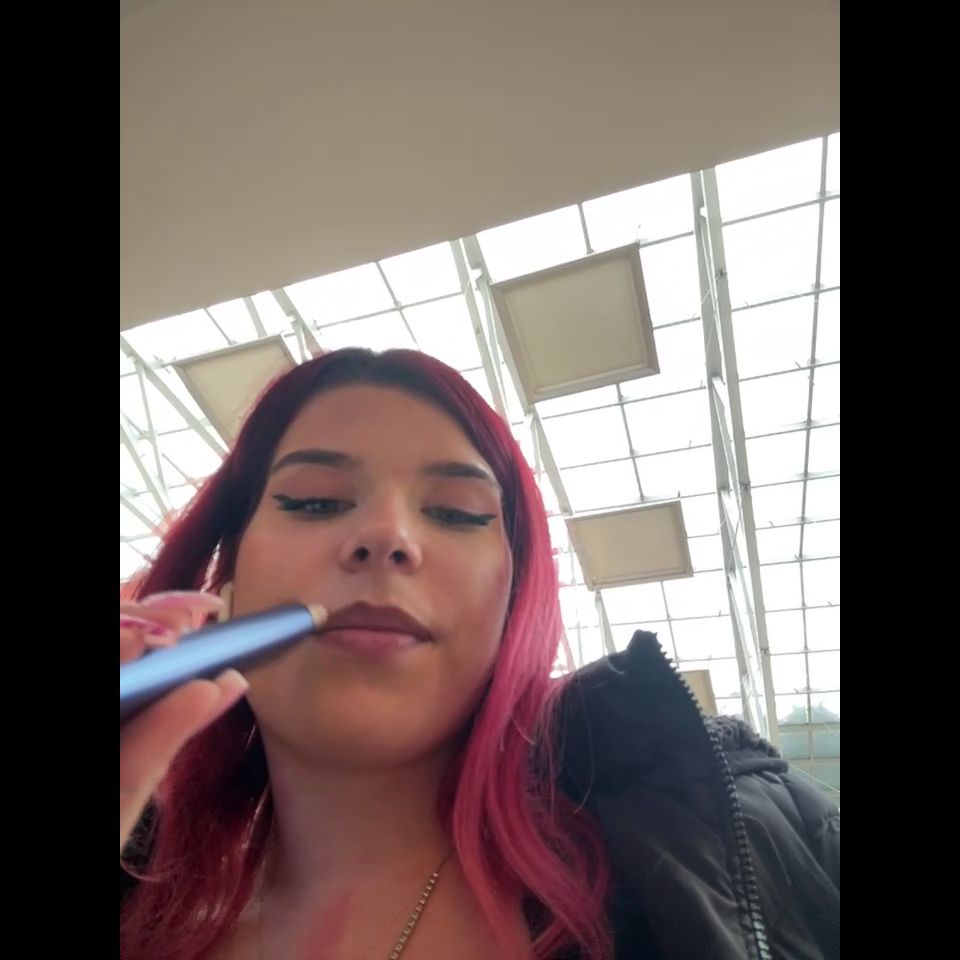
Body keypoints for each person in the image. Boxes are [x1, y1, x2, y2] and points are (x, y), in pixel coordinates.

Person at [120, 348, 839, 959]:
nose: (387, 535)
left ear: (512, 601)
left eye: (457, 513)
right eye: (314, 500)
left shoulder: (744, 834)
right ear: (229, 582)